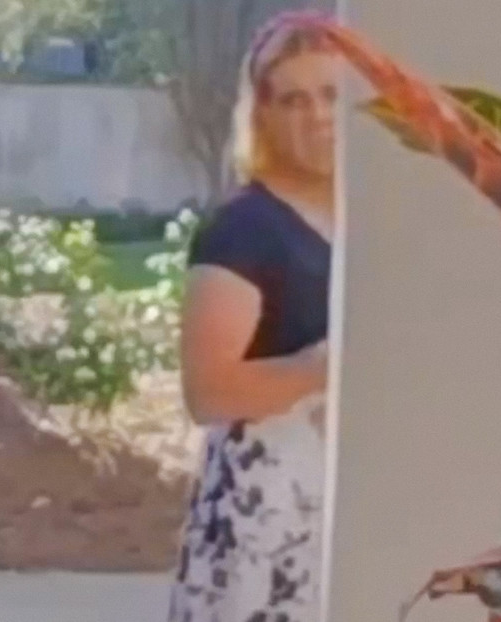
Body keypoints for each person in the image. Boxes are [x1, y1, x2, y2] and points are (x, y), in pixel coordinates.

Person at [166, 10, 338, 622]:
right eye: (293, 100)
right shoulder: (242, 229)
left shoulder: (374, 219)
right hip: (266, 524)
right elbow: (207, 391)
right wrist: (322, 367)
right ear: (262, 114)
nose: (317, 115)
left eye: (332, 94)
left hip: (350, 510)